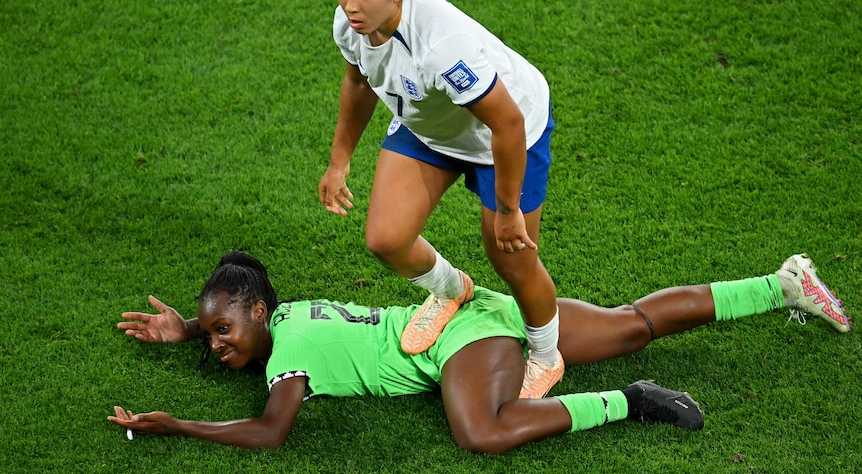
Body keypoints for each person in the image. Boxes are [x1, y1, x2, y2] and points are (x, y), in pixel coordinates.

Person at [109, 251, 850, 453]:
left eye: (221, 331)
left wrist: (175, 423)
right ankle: (781, 284)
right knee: (630, 322)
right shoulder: (292, 313)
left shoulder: (286, 358)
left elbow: (271, 430)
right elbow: (234, 319)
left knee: (481, 430)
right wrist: (185, 331)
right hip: (480, 311)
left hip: (463, 341)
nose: (217, 344)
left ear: (260, 312)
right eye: (210, 335)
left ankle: (632, 400)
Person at [317, 0, 562, 399]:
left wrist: (509, 211)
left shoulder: (439, 45)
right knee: (386, 238)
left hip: (510, 130)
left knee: (510, 256)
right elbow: (359, 81)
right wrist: (339, 160)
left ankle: (547, 354)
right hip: (430, 123)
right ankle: (452, 290)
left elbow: (506, 124)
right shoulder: (350, 24)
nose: (350, 5)